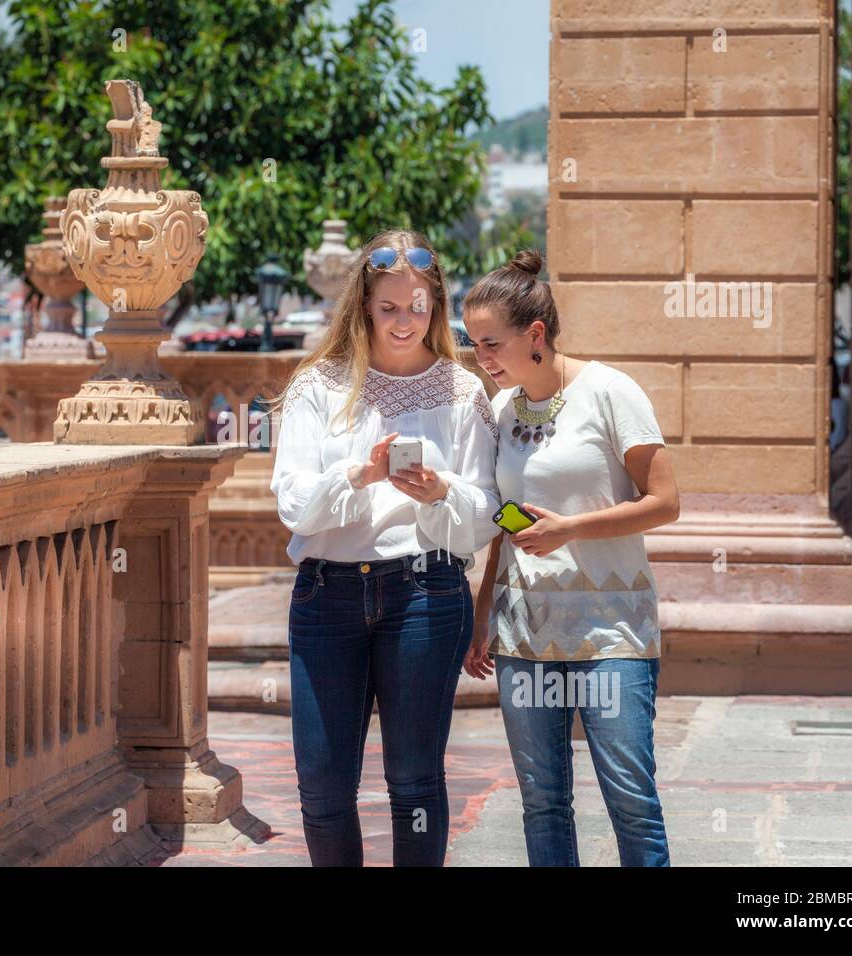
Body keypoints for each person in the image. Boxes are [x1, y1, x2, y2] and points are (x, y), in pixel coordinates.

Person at [270, 228, 502, 866]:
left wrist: (435, 492)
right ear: (363, 306)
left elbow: (485, 514)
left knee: (415, 782)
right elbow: (292, 503)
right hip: (327, 596)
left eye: (418, 306)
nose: (405, 321)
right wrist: (362, 474)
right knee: (321, 787)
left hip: (426, 593)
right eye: (389, 308)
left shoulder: (463, 393)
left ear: (437, 304)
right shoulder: (318, 385)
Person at [461, 249, 680, 867]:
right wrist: (484, 616)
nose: (482, 358)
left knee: (632, 802)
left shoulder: (611, 391)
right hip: (523, 634)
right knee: (543, 804)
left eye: (491, 343)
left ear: (535, 335)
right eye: (473, 343)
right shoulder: (501, 412)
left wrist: (572, 529)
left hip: (612, 631)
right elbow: (508, 519)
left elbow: (665, 502)